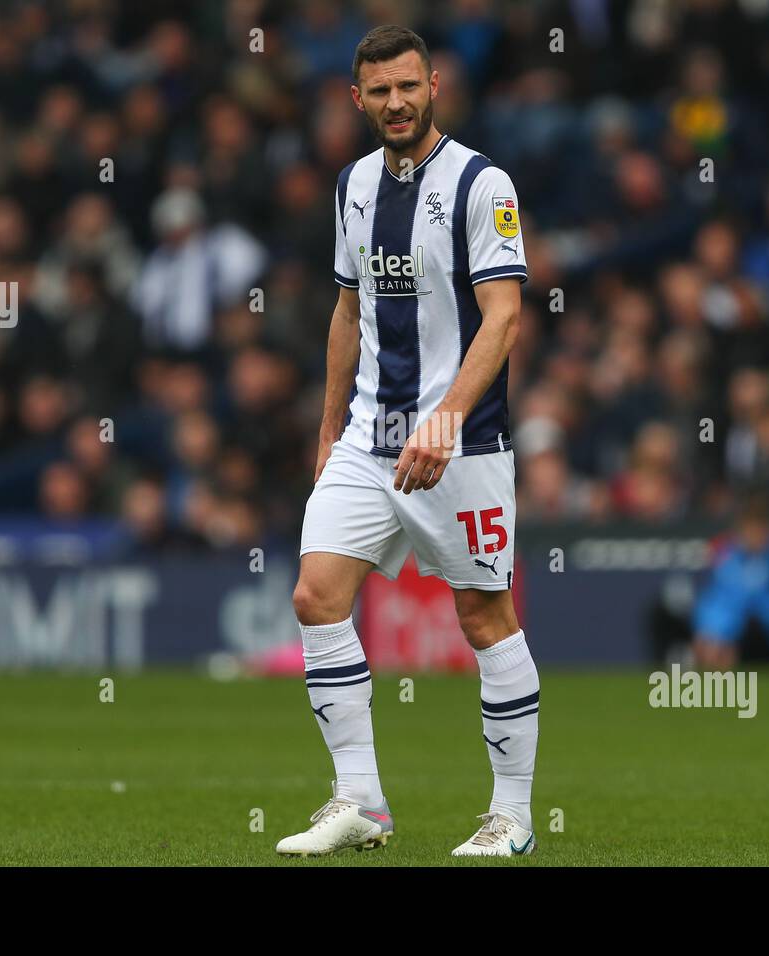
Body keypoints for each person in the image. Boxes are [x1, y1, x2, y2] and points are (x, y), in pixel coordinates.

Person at [278, 26, 535, 859]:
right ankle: (360, 802)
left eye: (408, 87)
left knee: (483, 613)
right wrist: (328, 432)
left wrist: (450, 415)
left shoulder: (479, 183)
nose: (395, 102)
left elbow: (503, 314)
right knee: (316, 595)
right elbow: (347, 313)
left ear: (436, 87)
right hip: (367, 434)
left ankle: (514, 817)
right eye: (378, 91)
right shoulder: (353, 185)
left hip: (463, 441)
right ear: (356, 99)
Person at [692, 495, 769, 669]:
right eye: (750, 529)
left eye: (760, 529)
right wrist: (715, 633)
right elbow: (715, 602)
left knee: (754, 631)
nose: (755, 535)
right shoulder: (728, 558)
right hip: (731, 637)